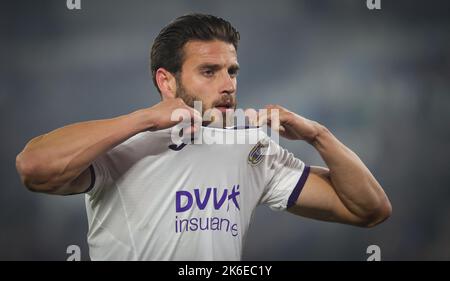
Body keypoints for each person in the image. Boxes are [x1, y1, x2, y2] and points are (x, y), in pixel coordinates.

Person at [15, 13, 391, 260]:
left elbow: (368, 209)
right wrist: (144, 119)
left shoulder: (253, 149)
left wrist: (319, 136)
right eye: (209, 71)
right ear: (166, 81)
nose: (228, 85)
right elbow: (33, 167)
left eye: (232, 70)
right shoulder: (122, 145)